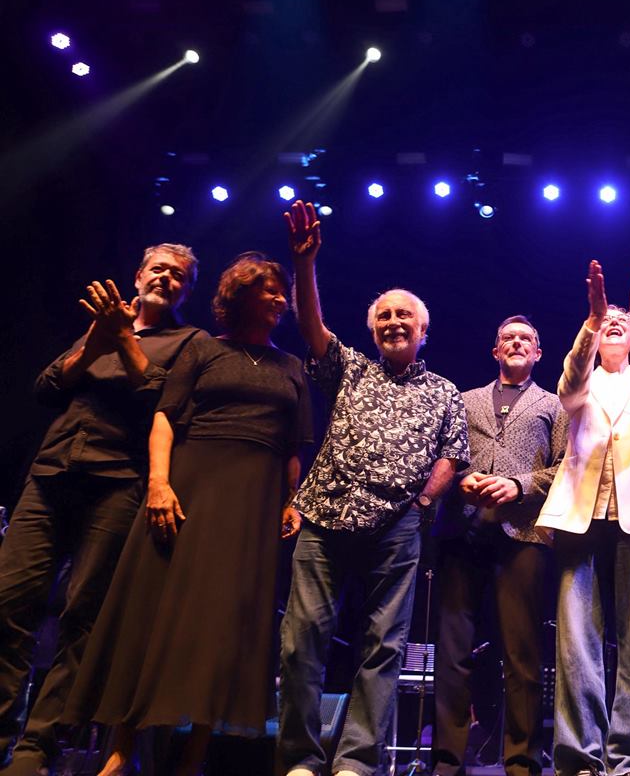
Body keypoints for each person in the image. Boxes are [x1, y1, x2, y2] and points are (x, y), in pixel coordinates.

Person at [61, 252, 309, 775]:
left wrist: (292, 500)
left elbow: (293, 446)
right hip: (192, 485)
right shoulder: (202, 347)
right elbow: (165, 418)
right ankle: (120, 754)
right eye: (267, 288)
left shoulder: (291, 367)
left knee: (222, 624)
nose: (278, 298)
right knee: (155, 612)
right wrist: (158, 484)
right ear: (239, 294)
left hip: (254, 501)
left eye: (281, 290)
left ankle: (190, 759)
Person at [278, 200, 469, 776]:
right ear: (371, 328)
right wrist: (305, 266)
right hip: (325, 516)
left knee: (383, 648)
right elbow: (311, 326)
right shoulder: (350, 368)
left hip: (397, 528)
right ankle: (302, 759)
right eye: (383, 316)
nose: (392, 322)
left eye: (403, 316)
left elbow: (452, 455)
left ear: (424, 330)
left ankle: (357, 761)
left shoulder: (444, 391)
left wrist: (424, 502)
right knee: (301, 641)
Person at [0, 244, 201, 776]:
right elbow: (47, 387)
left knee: (81, 616)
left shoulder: (188, 342)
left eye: (178, 275)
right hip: (50, 475)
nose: (165, 278)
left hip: (117, 485)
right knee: (8, 604)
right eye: (157, 268)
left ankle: (39, 747)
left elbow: (164, 403)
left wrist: (125, 339)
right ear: (137, 276)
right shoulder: (98, 326)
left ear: (187, 290)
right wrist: (97, 339)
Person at [535, 260, 630, 776]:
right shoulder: (580, 386)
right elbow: (569, 381)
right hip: (581, 518)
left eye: (622, 321)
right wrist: (592, 318)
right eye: (610, 324)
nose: (615, 325)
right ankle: (580, 757)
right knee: (577, 644)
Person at [431, 315, 567, 776]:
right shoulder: (463, 399)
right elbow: (442, 455)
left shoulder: (555, 405)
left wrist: (519, 484)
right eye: (507, 337)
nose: (515, 342)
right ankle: (448, 760)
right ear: (495, 351)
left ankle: (521, 761)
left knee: (522, 654)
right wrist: (462, 481)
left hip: (522, 534)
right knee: (452, 651)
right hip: (462, 531)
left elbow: (569, 468)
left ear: (538, 352)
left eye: (525, 338)